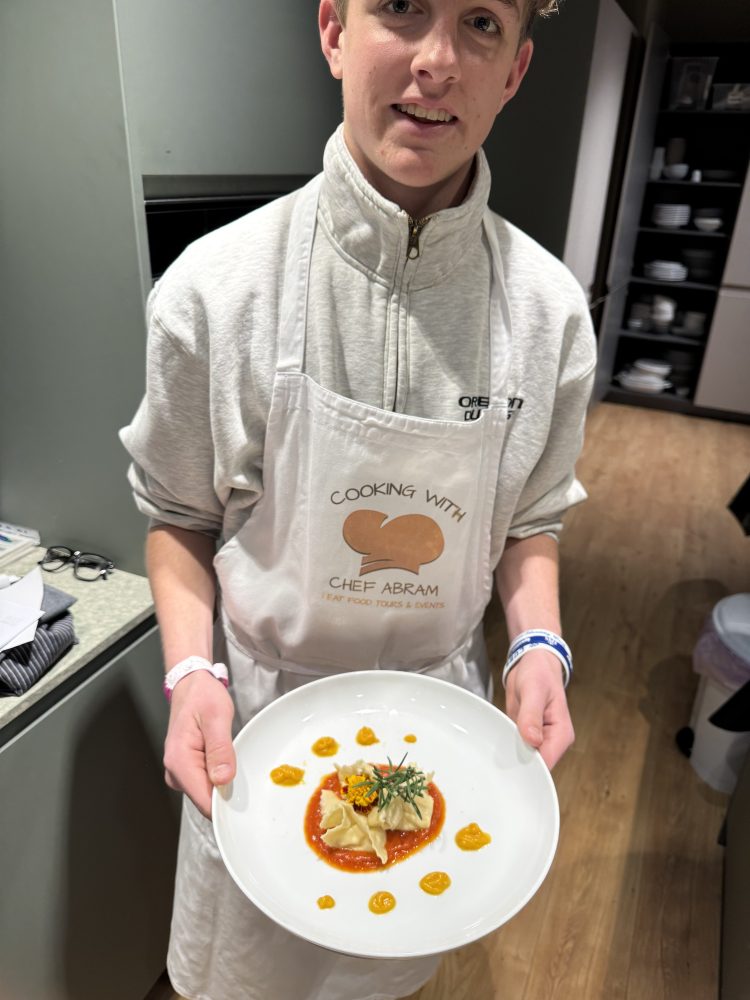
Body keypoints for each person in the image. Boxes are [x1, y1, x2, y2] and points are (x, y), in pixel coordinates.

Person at [121, 1, 597, 997]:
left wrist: (540, 644)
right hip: (257, 734)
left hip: (437, 731)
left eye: (479, 23)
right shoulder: (216, 290)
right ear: (334, 29)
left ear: (515, 71)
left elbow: (531, 518)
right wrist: (190, 674)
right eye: (401, 9)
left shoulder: (549, 314)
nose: (435, 62)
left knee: (386, 973)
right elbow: (178, 513)